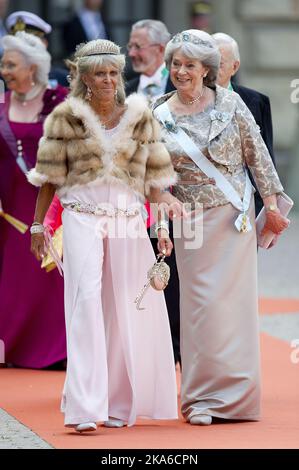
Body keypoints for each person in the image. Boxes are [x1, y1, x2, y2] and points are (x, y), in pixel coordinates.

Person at [28, 39, 178, 432]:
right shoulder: (65, 117)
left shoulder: (141, 115)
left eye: (114, 72)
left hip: (128, 222)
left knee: (125, 310)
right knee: (85, 304)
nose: (109, 79)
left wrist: (161, 226)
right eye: (100, 73)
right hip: (81, 219)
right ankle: (83, 408)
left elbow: (156, 180)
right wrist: (39, 225)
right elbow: (48, 178)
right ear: (84, 78)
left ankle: (119, 402)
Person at [153, 29, 289, 426]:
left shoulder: (232, 104)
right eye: (176, 64)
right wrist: (160, 222)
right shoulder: (158, 113)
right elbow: (155, 177)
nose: (181, 71)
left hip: (234, 219)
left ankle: (238, 399)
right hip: (190, 222)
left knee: (233, 309)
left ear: (206, 69)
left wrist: (274, 205)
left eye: (189, 65)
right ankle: (201, 399)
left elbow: (258, 156)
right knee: (199, 310)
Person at [0, 31, 67, 368]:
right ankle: (13, 347)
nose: (4, 70)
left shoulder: (60, 101)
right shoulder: (0, 106)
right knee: (18, 281)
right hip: (13, 207)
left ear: (32, 67)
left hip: (54, 202)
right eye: (4, 65)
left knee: (52, 278)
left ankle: (57, 351)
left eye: (11, 64)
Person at [126, 19, 181, 366]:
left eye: (137, 46)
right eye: (130, 46)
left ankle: (175, 348)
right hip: (132, 195)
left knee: (170, 269)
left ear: (160, 50)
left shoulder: (181, 87)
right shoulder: (124, 89)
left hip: (174, 195)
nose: (131, 53)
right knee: (137, 269)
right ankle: (142, 345)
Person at [212, 32, 276, 215]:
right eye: (209, 62)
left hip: (245, 204)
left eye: (220, 63)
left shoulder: (256, 101)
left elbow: (266, 159)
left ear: (235, 66)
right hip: (203, 204)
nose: (211, 69)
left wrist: (267, 208)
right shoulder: (189, 101)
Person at [6, 11, 69, 87]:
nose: (22, 49)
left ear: (44, 44)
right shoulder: (4, 79)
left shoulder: (63, 79)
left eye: (29, 43)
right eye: (17, 44)